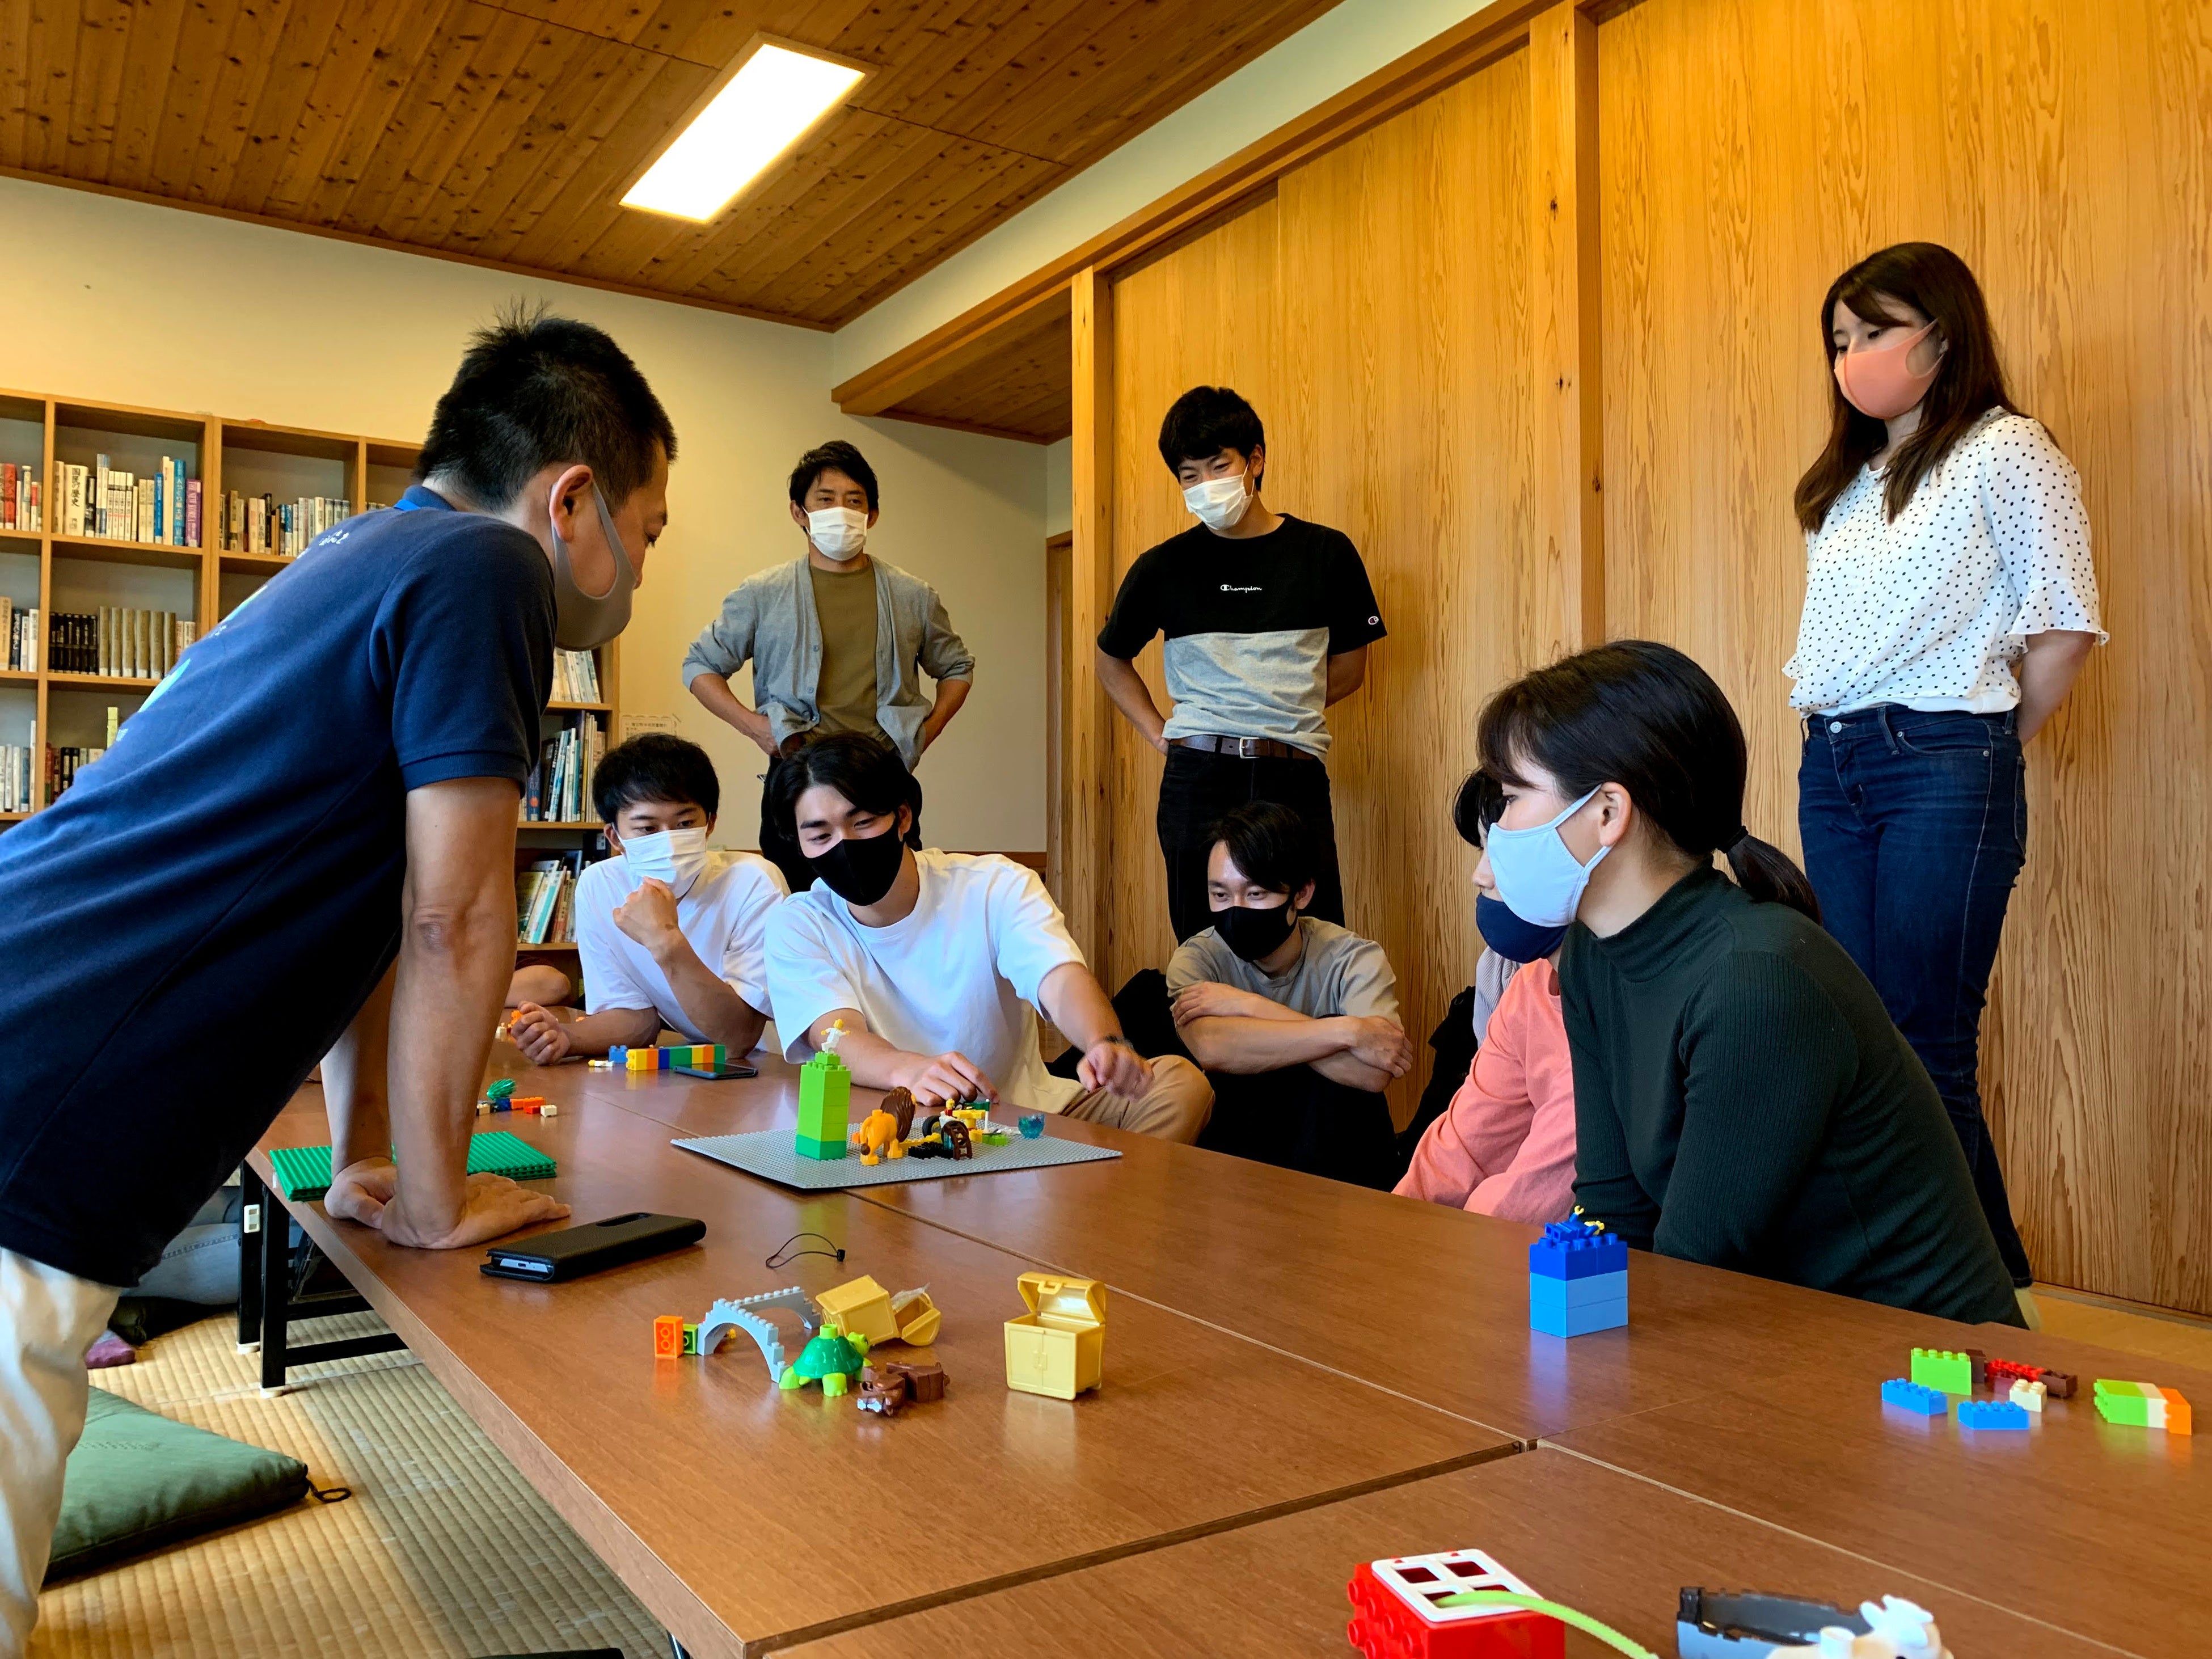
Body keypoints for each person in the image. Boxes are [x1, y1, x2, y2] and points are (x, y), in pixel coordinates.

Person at [0, 306, 673, 1641]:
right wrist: (434, 1197)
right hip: (41, 1073)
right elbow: (457, 916)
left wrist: (376, 1162)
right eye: (649, 532)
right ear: (572, 501)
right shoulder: (491, 568)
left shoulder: (364, 551)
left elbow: (375, 925)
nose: (643, 569)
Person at [1475, 639, 2023, 1326]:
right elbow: (1615, 1210)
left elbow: (1697, 1268)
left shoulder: (1757, 980)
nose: (1497, 830)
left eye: (1511, 798)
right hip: (1761, 1327)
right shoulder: (1592, 954)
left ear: (1608, 811)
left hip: (1914, 1360)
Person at [1789, 242, 2103, 1293]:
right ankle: (1989, 1277)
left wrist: (1978, 748)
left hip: (1943, 757)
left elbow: (2064, 629)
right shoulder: (1846, 484)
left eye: (1875, 330)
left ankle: (1949, 1294)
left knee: (1925, 1039)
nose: (1852, 357)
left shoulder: (2008, 450)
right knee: (1868, 1040)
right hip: (1833, 760)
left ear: (1942, 331)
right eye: (1840, 339)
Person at [763, 733, 1210, 1139]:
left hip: (1019, 1115)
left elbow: (1056, 977)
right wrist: (910, 1071)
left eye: (861, 822)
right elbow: (835, 1035)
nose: (843, 845)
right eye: (820, 835)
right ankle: (1085, 1194)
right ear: (800, 845)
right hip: (894, 1122)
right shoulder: (800, 923)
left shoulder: (992, 885)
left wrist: (1102, 1041)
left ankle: (1087, 1196)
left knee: (1179, 1085)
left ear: (902, 817)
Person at [1095, 386, 1386, 942]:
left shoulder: (1326, 553)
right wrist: (1158, 732)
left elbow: (1351, 668)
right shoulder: (1162, 567)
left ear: (1255, 460)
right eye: (1189, 475)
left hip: (1293, 771)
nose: (1205, 485)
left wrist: (1278, 701)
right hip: (1198, 777)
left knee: (1316, 937)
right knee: (1204, 945)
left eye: (1218, 466)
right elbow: (1112, 660)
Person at [683, 440, 974, 890]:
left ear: (872, 515)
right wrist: (755, 727)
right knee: (793, 899)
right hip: (798, 773)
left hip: (881, 773)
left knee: (893, 898)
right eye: (825, 499)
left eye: (854, 500)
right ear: (799, 512)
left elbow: (956, 667)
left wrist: (926, 731)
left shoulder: (912, 595)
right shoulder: (763, 593)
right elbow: (701, 665)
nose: (841, 510)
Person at [1165, 803, 1408, 1186]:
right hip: (1235, 1157)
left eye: (1256, 893)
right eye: (1221, 895)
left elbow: (1374, 1073)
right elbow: (1212, 1048)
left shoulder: (1354, 957)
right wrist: (1346, 1032)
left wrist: (1248, 1005)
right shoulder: (1198, 958)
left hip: (1336, 1162)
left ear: (1302, 893)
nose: (1236, 910)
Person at [506, 733, 785, 1064]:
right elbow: (634, 1018)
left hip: (774, 1065)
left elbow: (738, 1039)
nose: (669, 841)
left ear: (710, 823)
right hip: (700, 1064)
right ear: (615, 837)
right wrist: (566, 1037)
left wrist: (665, 940)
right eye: (647, 829)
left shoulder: (753, 882)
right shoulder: (600, 885)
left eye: (685, 823)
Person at [1396, 772, 1577, 1223]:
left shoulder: (1621, 1007)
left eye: (1501, 849)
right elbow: (1465, 1146)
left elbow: (1535, 1191)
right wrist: (1393, 1227)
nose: (1479, 875)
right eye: (1483, 848)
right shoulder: (1527, 986)